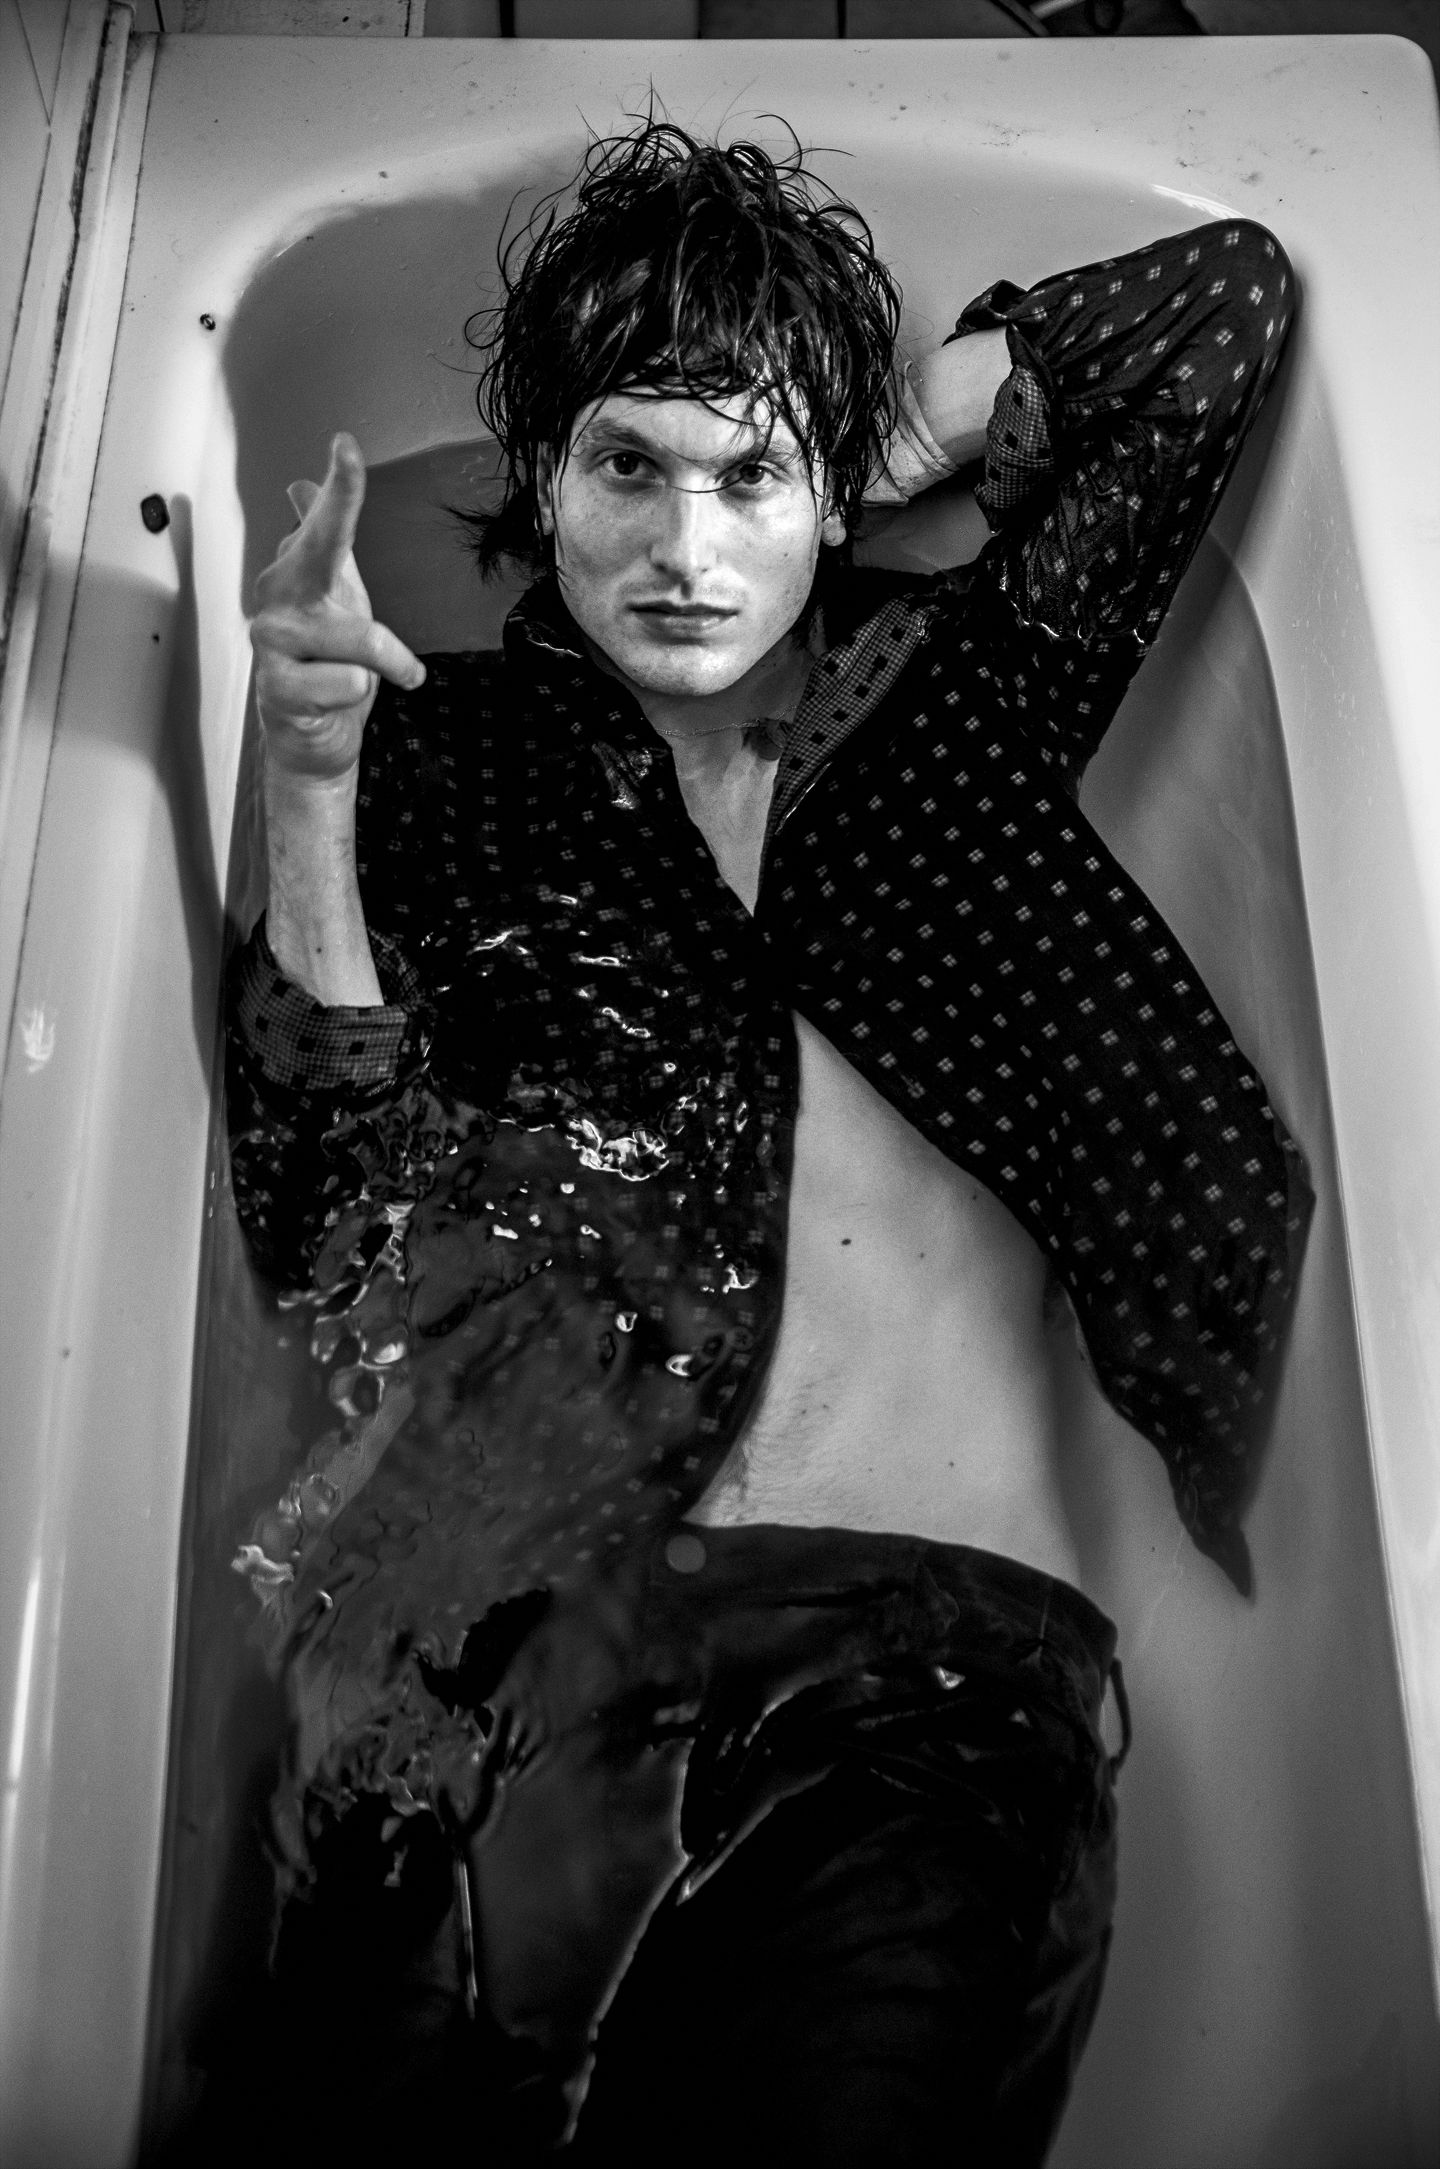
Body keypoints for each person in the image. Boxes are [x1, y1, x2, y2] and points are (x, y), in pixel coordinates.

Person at [221, 121, 1309, 2165]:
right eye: (626, 467)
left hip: (928, 1674)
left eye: (746, 481)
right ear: (541, 477)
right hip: (512, 1643)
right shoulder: (439, 761)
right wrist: (306, 775)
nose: (684, 548)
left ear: (833, 490)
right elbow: (325, 1214)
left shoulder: (959, 697)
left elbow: (1219, 307)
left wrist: (840, 439)